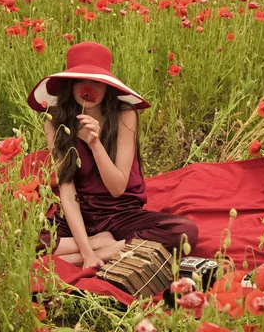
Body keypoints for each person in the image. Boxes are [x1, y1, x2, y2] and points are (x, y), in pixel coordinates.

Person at [27, 41, 198, 269]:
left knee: (184, 231)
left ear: (108, 85)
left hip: (120, 213)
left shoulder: (124, 115)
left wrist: (95, 143)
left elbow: (117, 187)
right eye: (81, 80)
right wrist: (88, 252)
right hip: (78, 214)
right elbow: (67, 193)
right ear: (69, 84)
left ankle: (98, 252)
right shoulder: (55, 122)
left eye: (97, 82)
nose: (89, 89)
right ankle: (98, 243)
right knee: (18, 239)